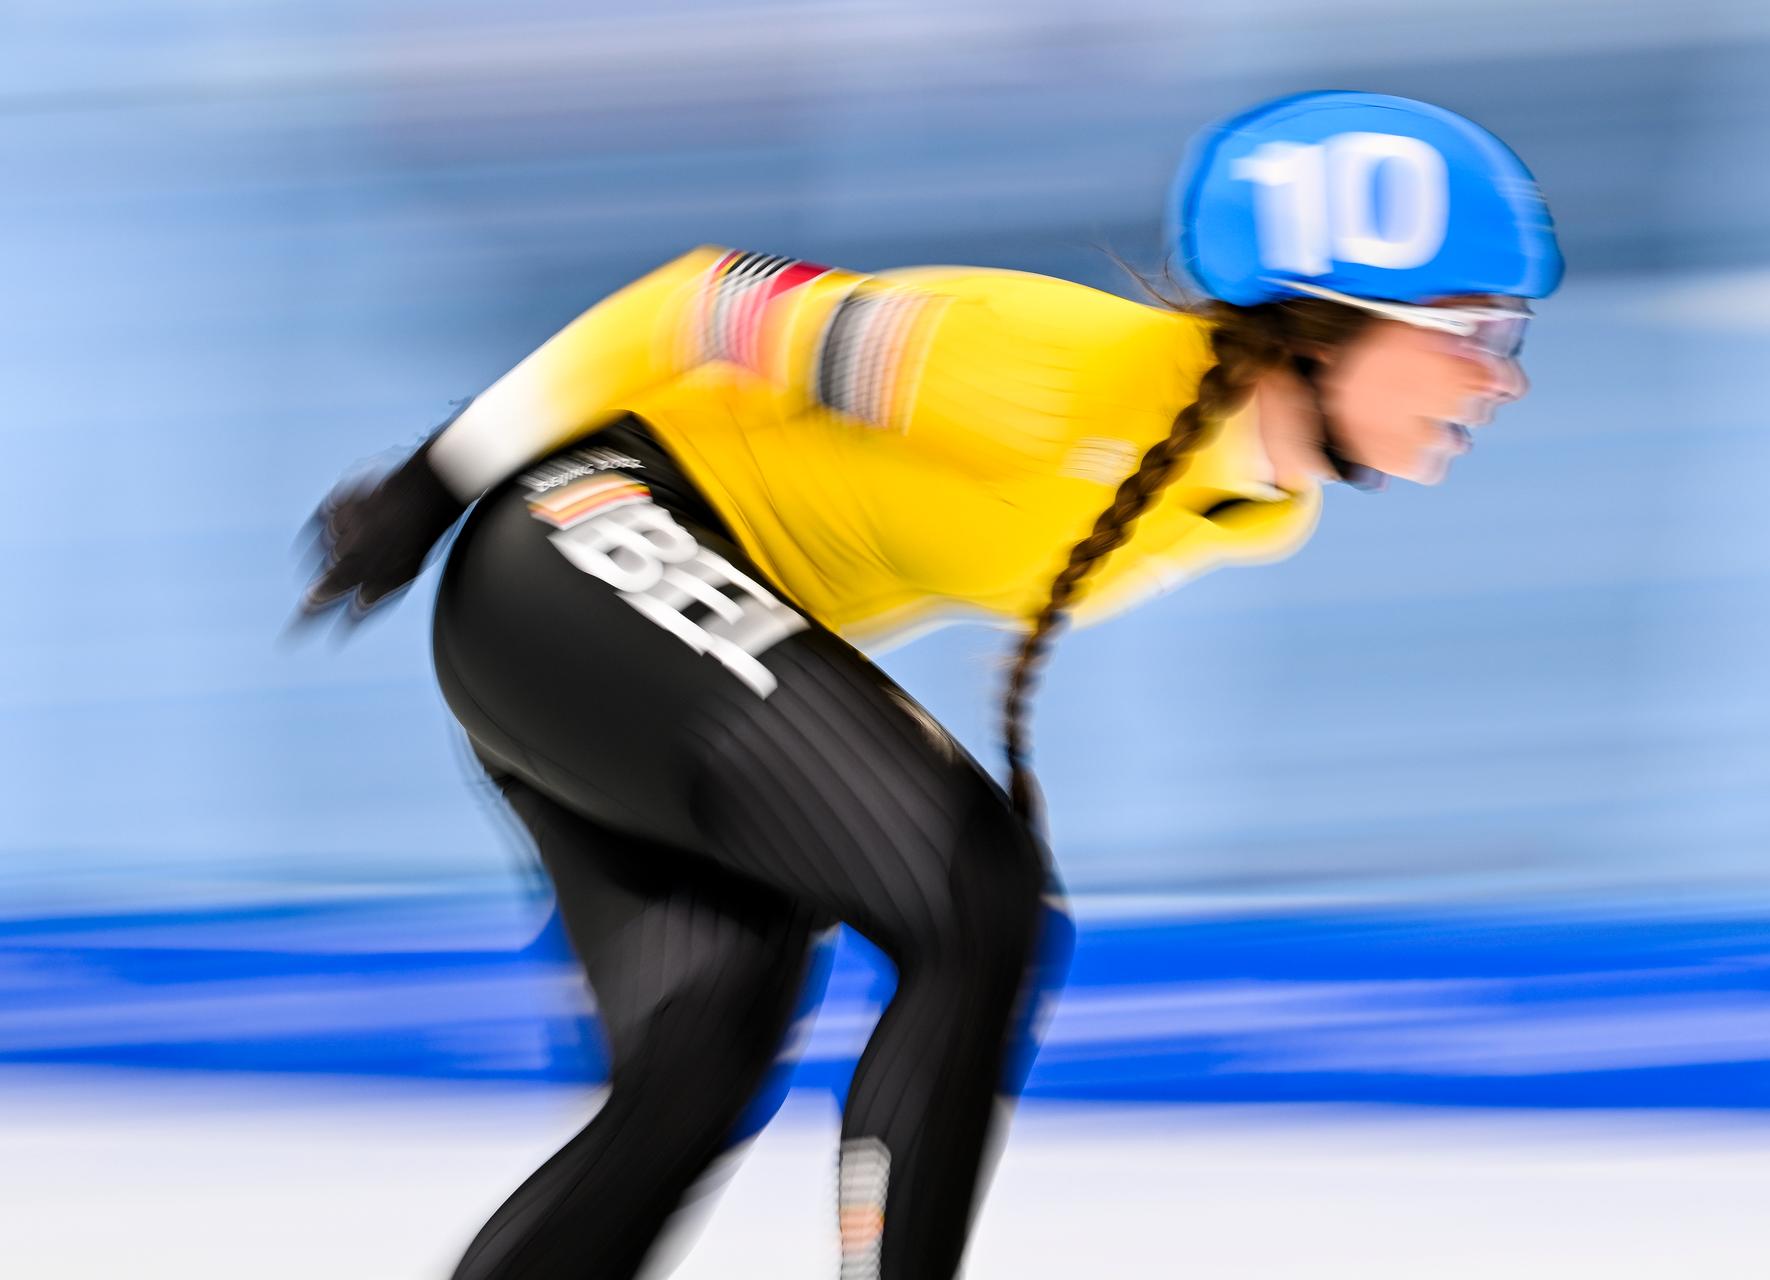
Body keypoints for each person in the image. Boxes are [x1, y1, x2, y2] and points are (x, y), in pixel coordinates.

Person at [301, 90, 1562, 1279]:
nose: (1501, 377)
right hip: (578, 549)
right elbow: (688, 309)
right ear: (1326, 313)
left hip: (621, 650)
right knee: (975, 889)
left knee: (694, 1073)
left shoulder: (1256, 506)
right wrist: (435, 478)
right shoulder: (1039, 367)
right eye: (1475, 331)